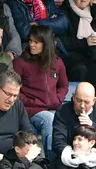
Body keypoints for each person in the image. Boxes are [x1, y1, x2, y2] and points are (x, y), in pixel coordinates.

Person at [13, 25, 69, 159]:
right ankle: (51, 162)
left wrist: (57, 99)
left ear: (46, 44)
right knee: (49, 119)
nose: (31, 45)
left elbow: (64, 85)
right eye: (30, 41)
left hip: (53, 108)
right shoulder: (20, 62)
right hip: (29, 111)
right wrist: (33, 102)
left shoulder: (57, 62)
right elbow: (14, 90)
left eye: (36, 42)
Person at [51, 82, 96, 158]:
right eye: (78, 100)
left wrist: (91, 124)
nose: (82, 105)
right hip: (69, 158)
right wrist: (75, 156)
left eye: (86, 102)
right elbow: (58, 142)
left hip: (93, 160)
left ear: (94, 101)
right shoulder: (63, 111)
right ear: (73, 97)